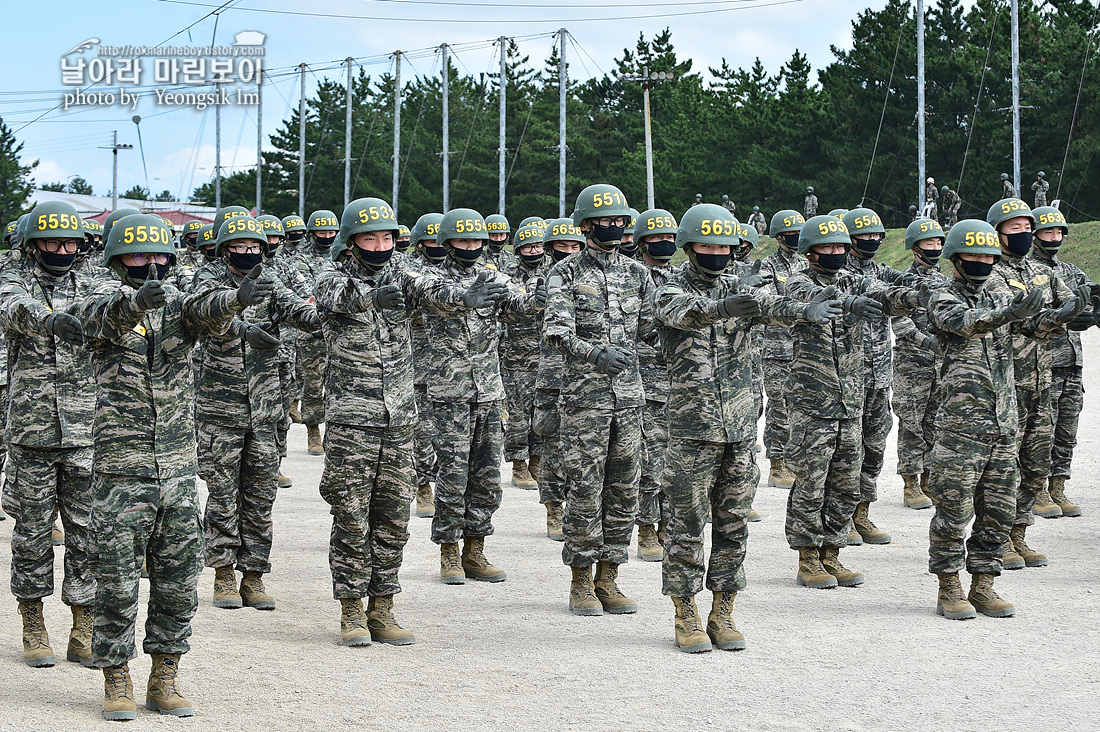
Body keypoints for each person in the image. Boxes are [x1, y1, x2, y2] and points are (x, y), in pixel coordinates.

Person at [79, 213, 248, 719]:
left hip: (175, 472)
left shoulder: (180, 304)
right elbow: (96, 323)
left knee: (177, 581)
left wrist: (238, 297)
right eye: (139, 256)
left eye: (160, 257)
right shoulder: (97, 300)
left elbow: (206, 309)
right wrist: (132, 304)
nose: (152, 267)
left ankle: (165, 676)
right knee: (116, 583)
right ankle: (116, 680)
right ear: (116, 260)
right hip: (119, 475)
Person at [655, 204, 842, 653]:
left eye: (724, 246)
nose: (717, 253)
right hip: (690, 429)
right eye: (707, 245)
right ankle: (686, 612)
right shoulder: (667, 286)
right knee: (685, 525)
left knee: (734, 523)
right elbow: (678, 314)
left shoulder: (743, 285)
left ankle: (724, 610)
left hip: (739, 429)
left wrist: (803, 309)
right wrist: (723, 306)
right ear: (688, 247)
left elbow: (773, 304)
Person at [783, 215, 919, 590]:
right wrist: (849, 303)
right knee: (812, 481)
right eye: (827, 247)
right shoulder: (798, 282)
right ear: (810, 251)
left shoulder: (855, 279)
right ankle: (808, 557)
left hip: (852, 400)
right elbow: (803, 301)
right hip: (815, 404)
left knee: (845, 481)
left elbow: (883, 292)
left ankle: (833, 553)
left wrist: (915, 296)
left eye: (841, 246)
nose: (836, 253)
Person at [192, 215, 320, 611]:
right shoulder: (206, 277)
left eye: (254, 247)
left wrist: (332, 313)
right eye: (239, 247)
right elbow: (200, 312)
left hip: (266, 408)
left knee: (260, 498)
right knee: (222, 496)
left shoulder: (269, 280)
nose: (247, 253)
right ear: (223, 247)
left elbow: (300, 311)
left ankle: (254, 575)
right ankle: (223, 574)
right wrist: (238, 305)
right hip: (220, 407)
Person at [544, 183, 656, 617]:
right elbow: (556, 332)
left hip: (629, 401)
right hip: (585, 401)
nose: (614, 227)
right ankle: (581, 582)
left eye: (620, 221)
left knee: (624, 490)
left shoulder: (637, 274)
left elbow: (650, 329)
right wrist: (593, 353)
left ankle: (610, 576)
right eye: (606, 221)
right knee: (586, 490)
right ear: (586, 225)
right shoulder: (565, 272)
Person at [925, 219, 1045, 620]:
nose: (982, 263)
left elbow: (1031, 325)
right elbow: (966, 323)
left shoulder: (999, 291)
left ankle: (984, 583)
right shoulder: (941, 295)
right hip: (961, 428)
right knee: (953, 512)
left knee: (999, 510)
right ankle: (949, 587)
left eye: (989, 256)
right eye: (973, 256)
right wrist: (1007, 312)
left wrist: (1065, 315)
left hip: (1003, 424)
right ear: (955, 258)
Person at [0, 201, 96, 669]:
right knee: (33, 533)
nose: (62, 250)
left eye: (70, 243)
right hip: (32, 430)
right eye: (52, 242)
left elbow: (113, 309)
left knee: (87, 532)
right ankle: (33, 620)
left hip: (86, 431)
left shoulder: (93, 282)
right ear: (32, 245)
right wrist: (51, 320)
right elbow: (13, 309)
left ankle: (83, 622)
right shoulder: (15, 280)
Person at [420, 208, 532, 585]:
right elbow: (436, 295)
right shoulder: (430, 276)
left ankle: (475, 549)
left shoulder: (493, 275)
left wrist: (538, 299)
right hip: (449, 393)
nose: (470, 247)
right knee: (452, 474)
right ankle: (448, 551)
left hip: (488, 392)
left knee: (486, 476)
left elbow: (516, 306)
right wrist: (467, 297)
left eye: (476, 241)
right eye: (463, 240)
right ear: (447, 242)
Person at [983, 198, 1087, 568]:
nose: (1025, 234)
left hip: (1043, 378)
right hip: (1008, 382)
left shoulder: (1038, 269)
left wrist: (1080, 312)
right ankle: (997, 540)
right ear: (997, 232)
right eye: (1016, 228)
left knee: (1035, 463)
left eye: (1028, 227)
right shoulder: (990, 273)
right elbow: (1016, 321)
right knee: (1003, 467)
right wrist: (1058, 318)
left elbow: (1069, 301)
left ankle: (1018, 534)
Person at [842, 207, 913, 546]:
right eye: (864, 236)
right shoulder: (838, 273)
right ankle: (840, 520)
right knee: (846, 452)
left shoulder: (882, 270)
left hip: (879, 377)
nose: (870, 241)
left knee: (874, 448)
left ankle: (862, 513)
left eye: (876, 236)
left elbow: (907, 283)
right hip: (847, 380)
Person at [1028, 206, 1092, 517]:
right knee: (1041, 430)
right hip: (1043, 363)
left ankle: (1058, 487)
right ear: (1034, 236)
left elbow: (1088, 303)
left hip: (1073, 363)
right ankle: (1037, 490)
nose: (1054, 238)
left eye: (1058, 233)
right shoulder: (1027, 272)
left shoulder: (1072, 272)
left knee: (1067, 430)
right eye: (1047, 232)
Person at [632, 209, 680, 561]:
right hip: (646, 383)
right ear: (641, 241)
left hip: (683, 383)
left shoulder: (681, 278)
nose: (664, 242)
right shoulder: (632, 277)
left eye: (669, 237)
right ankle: (647, 529)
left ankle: (670, 529)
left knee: (680, 464)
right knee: (650, 463)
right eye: (656, 237)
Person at [891, 219, 948, 510]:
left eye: (939, 243)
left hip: (939, 364)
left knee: (936, 422)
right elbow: (899, 320)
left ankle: (929, 478)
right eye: (929, 243)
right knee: (911, 424)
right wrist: (924, 341)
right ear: (915, 248)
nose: (935, 248)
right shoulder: (901, 280)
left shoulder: (945, 279)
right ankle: (910, 483)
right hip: (912, 364)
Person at [535, 219, 585, 541]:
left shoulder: (595, 277)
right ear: (550, 249)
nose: (568, 251)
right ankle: (554, 508)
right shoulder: (543, 281)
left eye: (574, 246)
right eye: (562, 246)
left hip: (585, 379)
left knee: (581, 449)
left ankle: (577, 512)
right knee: (552, 445)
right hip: (553, 373)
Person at [758, 210, 806, 488]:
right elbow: (765, 300)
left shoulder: (806, 264)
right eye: (791, 235)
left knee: (800, 407)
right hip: (777, 349)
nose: (796, 239)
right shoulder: (768, 267)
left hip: (804, 349)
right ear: (778, 237)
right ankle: (777, 465)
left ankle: (795, 460)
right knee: (779, 406)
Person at [501, 222, 550, 489]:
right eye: (528, 247)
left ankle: (536, 460)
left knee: (540, 413)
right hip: (516, 358)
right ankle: (518, 464)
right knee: (518, 416)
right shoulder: (508, 275)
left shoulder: (553, 272)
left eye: (538, 246)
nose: (534, 251)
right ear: (519, 250)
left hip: (546, 356)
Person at [406, 213, 446, 519]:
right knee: (421, 432)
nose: (437, 246)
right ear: (419, 244)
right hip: (419, 367)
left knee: (449, 437)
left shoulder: (458, 271)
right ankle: (422, 487)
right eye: (430, 241)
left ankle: (446, 489)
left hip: (452, 369)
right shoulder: (409, 273)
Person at [290, 210, 339, 455]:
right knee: (312, 383)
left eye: (332, 232)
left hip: (339, 331)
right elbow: (306, 292)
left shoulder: (341, 255)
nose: (327, 237)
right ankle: (313, 429)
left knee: (338, 384)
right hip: (311, 331)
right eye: (322, 232)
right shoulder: (300, 259)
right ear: (311, 234)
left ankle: (335, 431)